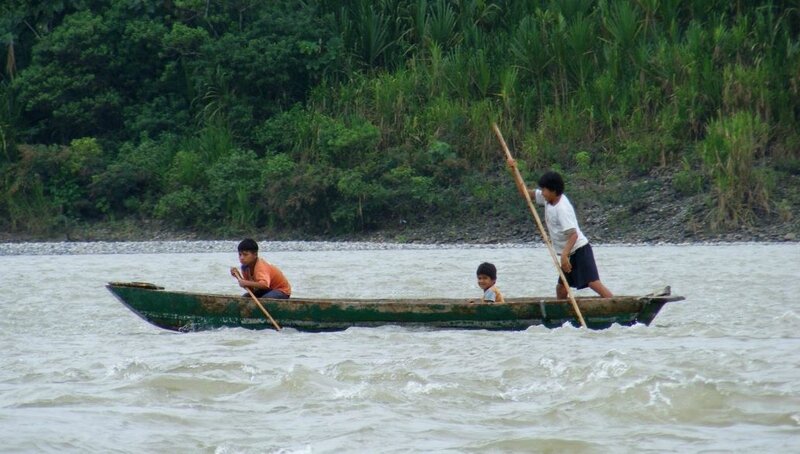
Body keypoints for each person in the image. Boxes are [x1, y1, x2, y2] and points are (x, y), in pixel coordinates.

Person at [528, 171, 613, 299]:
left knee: (593, 283)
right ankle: (562, 317)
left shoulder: (562, 208)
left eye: (544, 190)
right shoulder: (548, 199)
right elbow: (526, 193)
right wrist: (513, 169)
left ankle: (614, 303)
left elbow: (573, 235)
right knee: (561, 288)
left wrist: (564, 255)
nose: (542, 193)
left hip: (579, 250)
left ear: (553, 190)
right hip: (568, 253)